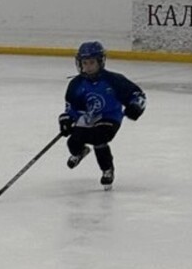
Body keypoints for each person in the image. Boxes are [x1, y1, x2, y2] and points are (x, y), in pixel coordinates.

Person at [59, 41, 146, 190]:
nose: (88, 67)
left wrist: (135, 106)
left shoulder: (114, 80)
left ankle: (107, 169)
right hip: (89, 117)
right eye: (85, 63)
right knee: (73, 142)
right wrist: (67, 119)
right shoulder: (76, 84)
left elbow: (138, 95)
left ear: (100, 62)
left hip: (110, 117)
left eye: (92, 62)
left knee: (99, 137)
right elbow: (72, 106)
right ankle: (81, 152)